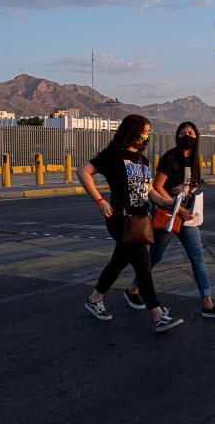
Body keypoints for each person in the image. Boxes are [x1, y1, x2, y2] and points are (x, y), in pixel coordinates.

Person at [77, 114, 185, 333]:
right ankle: (157, 314)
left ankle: (94, 299)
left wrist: (167, 202)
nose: (146, 135)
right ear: (132, 131)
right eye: (144, 131)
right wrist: (99, 200)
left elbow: (150, 191)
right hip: (120, 219)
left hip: (140, 219)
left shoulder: (142, 160)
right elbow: (83, 171)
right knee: (142, 265)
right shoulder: (113, 155)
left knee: (118, 262)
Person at [137, 121, 215, 319]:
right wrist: (176, 207)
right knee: (155, 257)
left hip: (186, 214)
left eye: (190, 132)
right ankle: (133, 289)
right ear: (177, 137)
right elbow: (157, 186)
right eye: (182, 133)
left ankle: (207, 302)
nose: (186, 135)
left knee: (197, 257)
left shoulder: (195, 159)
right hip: (168, 213)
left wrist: (191, 199)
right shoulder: (171, 157)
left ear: (197, 136)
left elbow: (191, 185)